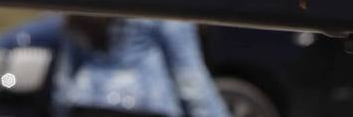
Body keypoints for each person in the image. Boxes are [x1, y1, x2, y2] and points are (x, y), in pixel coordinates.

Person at [51, 16, 230, 117]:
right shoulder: (160, 5)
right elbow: (190, 78)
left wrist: (61, 109)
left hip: (88, 101)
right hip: (145, 104)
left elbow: (66, 72)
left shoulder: (87, 1)